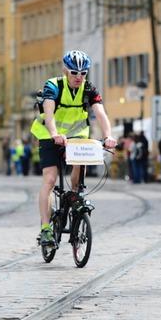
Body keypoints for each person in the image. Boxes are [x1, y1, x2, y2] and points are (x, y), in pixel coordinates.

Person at [31, 50, 117, 247]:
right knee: (50, 179)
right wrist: (54, 134)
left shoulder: (89, 88)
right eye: (74, 73)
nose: (79, 77)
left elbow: (101, 113)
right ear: (65, 71)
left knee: (80, 169)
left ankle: (76, 196)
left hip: (76, 137)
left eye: (83, 73)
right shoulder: (53, 86)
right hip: (49, 136)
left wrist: (108, 136)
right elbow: (49, 113)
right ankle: (46, 229)